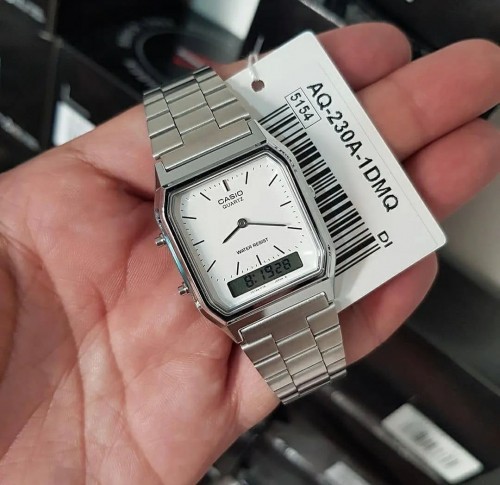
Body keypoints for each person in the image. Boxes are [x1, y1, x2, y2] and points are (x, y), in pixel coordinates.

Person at [0, 23, 498, 484]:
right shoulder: (179, 224)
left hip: (303, 266)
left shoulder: (262, 167)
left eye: (241, 220)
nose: (239, 225)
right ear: (170, 235)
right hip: (274, 289)